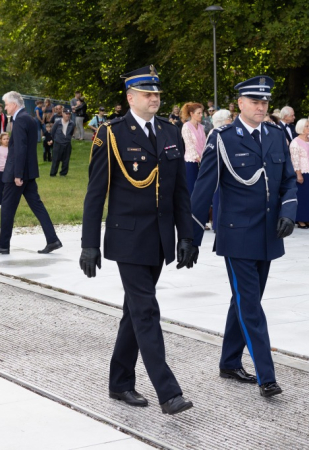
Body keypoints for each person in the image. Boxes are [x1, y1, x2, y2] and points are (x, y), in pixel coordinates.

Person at [79, 65, 197, 415]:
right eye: (147, 94)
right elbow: (94, 193)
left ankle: (119, 383)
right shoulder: (111, 134)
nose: (154, 98)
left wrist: (187, 235)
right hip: (127, 239)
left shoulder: (170, 130)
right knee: (146, 310)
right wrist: (89, 243)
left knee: (134, 312)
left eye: (157, 93)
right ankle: (168, 392)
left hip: (160, 239)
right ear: (130, 98)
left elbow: (180, 191)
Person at [190, 75, 297, 398]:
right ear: (240, 104)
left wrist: (288, 213)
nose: (262, 107)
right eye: (255, 101)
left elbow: (289, 181)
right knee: (250, 305)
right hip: (237, 236)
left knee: (244, 300)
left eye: (265, 102)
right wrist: (191, 237)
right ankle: (267, 376)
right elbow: (203, 189)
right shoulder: (223, 137)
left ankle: (228, 361)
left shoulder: (277, 135)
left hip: (268, 235)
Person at [0, 91, 62, 255]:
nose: (5, 108)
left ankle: (3, 245)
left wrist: (17, 174)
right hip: (29, 171)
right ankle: (53, 239)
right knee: (37, 206)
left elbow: (20, 148)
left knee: (6, 208)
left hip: (17, 173)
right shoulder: (30, 118)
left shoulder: (19, 120)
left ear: (13, 104)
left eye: (6, 104)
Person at [290, 119, 309, 228]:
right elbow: (295, 160)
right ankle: (301, 220)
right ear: (301, 128)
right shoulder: (295, 142)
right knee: (302, 197)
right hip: (302, 172)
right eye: (307, 126)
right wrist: (298, 174)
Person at [181, 102, 206, 194]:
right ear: (191, 114)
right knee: (192, 189)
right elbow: (189, 145)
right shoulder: (186, 126)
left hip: (202, 161)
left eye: (201, 113)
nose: (201, 115)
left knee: (201, 189)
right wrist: (199, 159)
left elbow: (204, 144)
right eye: (198, 113)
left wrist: (205, 158)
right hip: (191, 162)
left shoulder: (201, 127)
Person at [50, 108, 75, 177]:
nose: (68, 115)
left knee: (66, 159)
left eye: (69, 114)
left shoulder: (72, 123)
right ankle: (53, 173)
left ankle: (63, 173)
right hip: (58, 143)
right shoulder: (58, 122)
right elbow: (53, 132)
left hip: (67, 143)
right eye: (66, 114)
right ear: (63, 114)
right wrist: (55, 139)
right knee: (56, 159)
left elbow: (71, 132)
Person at [0, 132, 9, 207]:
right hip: (0, 170)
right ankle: (0, 203)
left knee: (8, 187)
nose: (6, 140)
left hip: (9, 170)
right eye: (4, 139)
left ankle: (7, 202)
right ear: (0, 140)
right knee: (1, 186)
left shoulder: (11, 148)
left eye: (7, 139)